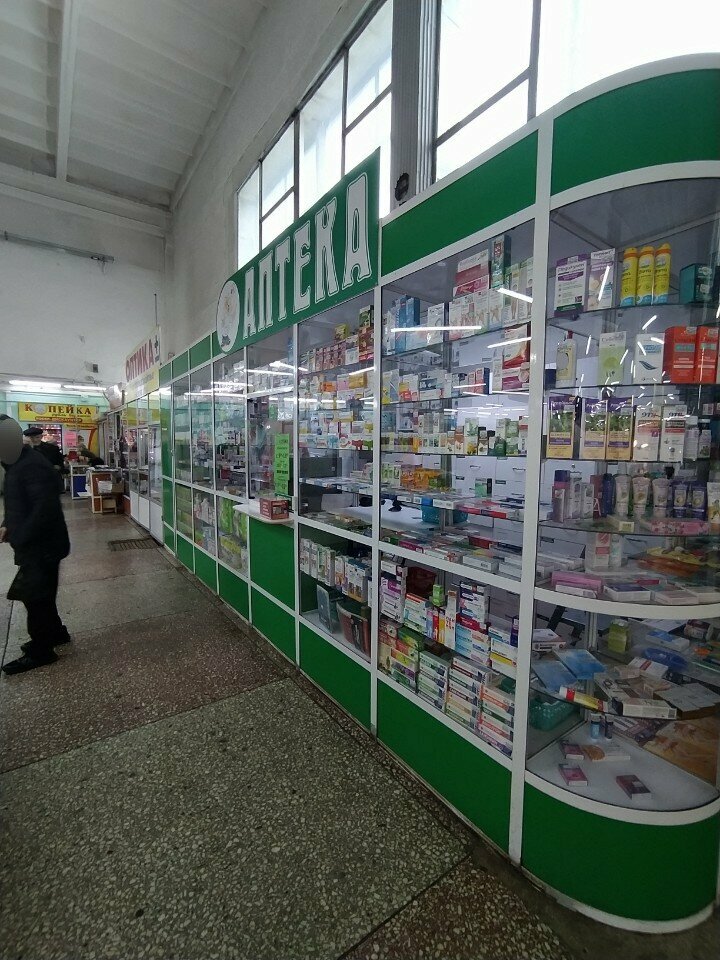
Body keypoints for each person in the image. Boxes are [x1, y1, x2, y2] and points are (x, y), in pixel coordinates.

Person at [0, 415, 71, 674]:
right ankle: (56, 633)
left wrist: (19, 534)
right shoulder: (18, 463)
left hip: (42, 545)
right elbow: (19, 501)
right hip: (38, 543)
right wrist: (8, 523)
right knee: (42, 594)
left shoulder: (31, 465)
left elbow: (44, 509)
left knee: (35, 597)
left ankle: (41, 650)